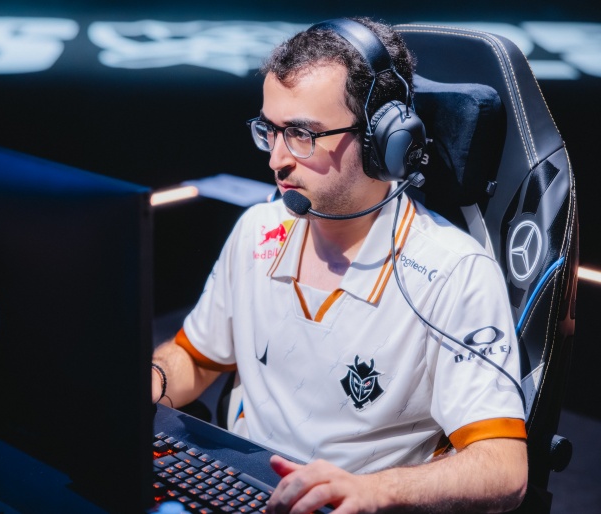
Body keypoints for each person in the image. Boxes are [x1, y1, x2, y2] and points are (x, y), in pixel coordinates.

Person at [151, 16, 528, 513]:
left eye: (301, 134)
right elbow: (197, 360)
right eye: (270, 131)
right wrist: (149, 381)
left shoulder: (454, 271)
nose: (276, 160)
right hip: (238, 490)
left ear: (384, 141)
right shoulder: (258, 230)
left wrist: (377, 491)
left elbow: (503, 468)